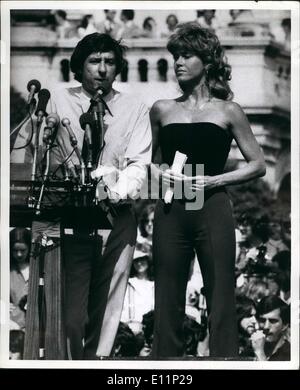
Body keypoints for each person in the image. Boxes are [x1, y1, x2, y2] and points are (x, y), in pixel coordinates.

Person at [150, 22, 266, 358]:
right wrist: (159, 173)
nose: (178, 62)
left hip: (213, 205)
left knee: (220, 293)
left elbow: (257, 164)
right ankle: (165, 368)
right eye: (176, 56)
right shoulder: (161, 109)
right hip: (171, 207)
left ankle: (223, 361)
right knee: (167, 294)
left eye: (186, 55)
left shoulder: (229, 111)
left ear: (207, 61)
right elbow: (149, 162)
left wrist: (216, 180)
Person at [40, 33, 151, 359]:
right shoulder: (57, 103)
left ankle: (97, 365)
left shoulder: (135, 108)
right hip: (72, 221)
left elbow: (139, 164)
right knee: (72, 316)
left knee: (106, 315)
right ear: (79, 65)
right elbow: (44, 157)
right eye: (94, 61)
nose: (102, 69)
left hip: (117, 220)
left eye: (110, 62)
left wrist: (112, 191)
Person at [250, 296, 290, 360]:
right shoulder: (250, 350)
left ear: (284, 326)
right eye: (262, 320)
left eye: (273, 321)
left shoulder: (290, 355)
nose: (266, 327)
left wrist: (260, 353)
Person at [10, 228, 31, 331]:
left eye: (22, 250)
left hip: (35, 326)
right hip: (13, 326)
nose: (18, 254)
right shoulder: (6, 270)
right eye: (15, 250)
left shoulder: (37, 268)